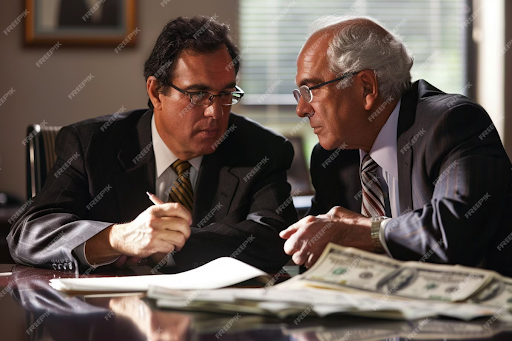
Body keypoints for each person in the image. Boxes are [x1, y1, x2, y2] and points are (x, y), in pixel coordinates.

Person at [8, 16, 297, 274]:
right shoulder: (91, 144)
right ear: (157, 92)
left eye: (226, 94)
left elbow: (275, 239)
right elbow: (28, 234)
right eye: (198, 94)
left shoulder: (262, 150)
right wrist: (116, 238)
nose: (216, 113)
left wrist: (174, 241)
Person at [280, 16, 512, 277]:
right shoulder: (331, 156)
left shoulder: (451, 122)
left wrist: (367, 231)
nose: (301, 109)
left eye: (310, 90)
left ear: (366, 87)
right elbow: (317, 257)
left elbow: (455, 230)